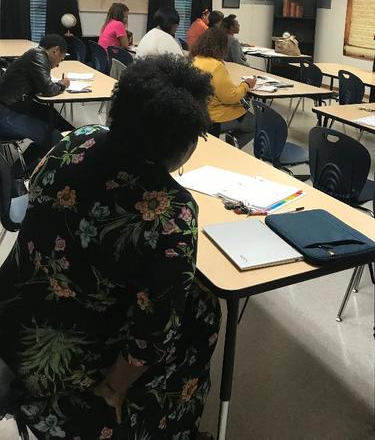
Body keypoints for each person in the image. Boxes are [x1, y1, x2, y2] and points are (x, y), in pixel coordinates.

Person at [0, 55, 221, 438]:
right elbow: (152, 333)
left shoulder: (75, 142)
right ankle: (161, 422)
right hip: (61, 360)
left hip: (14, 313)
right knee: (204, 312)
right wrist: (113, 388)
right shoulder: (172, 212)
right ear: (183, 145)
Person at [0, 34, 70, 166]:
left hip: (14, 105)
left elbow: (41, 85)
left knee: (55, 119)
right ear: (55, 50)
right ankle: (18, 173)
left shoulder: (34, 54)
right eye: (60, 59)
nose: (58, 65)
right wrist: (62, 84)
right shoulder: (38, 56)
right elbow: (49, 89)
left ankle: (77, 138)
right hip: (7, 113)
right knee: (53, 138)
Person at [191, 27, 256, 147]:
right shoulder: (216, 67)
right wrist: (246, 85)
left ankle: (231, 142)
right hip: (215, 117)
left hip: (198, 113)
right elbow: (231, 97)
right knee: (255, 123)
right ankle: (234, 145)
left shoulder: (194, 60)